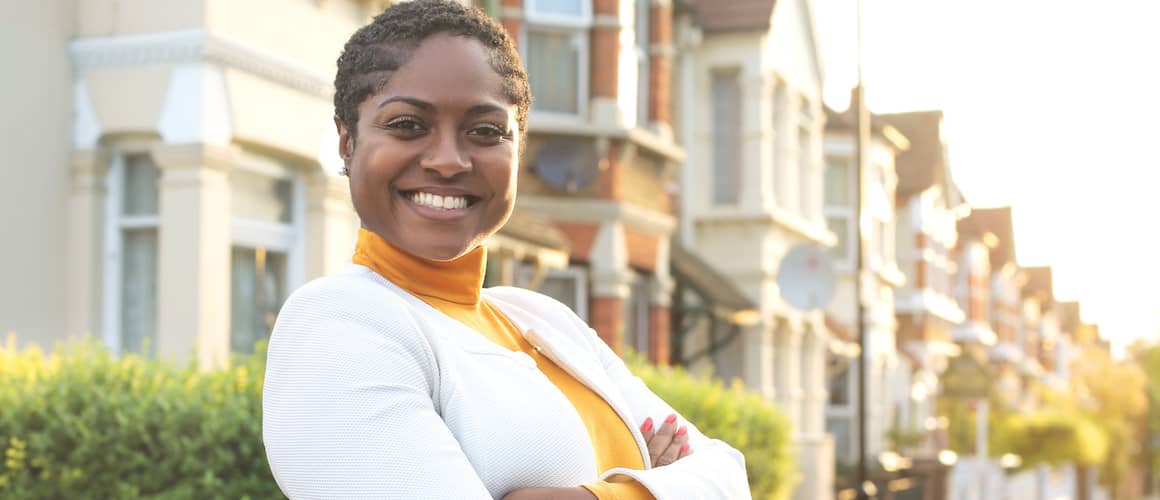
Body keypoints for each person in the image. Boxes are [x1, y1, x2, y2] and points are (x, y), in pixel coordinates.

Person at [261, 1, 751, 498]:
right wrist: (656, 480)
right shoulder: (335, 324)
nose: (449, 161)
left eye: (486, 131)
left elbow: (729, 474)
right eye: (408, 124)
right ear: (348, 143)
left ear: (516, 149)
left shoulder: (544, 320)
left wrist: (594, 495)